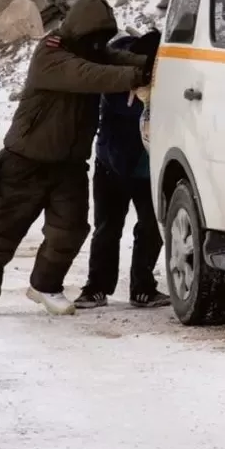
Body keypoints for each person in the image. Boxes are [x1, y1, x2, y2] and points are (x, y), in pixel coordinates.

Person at [0, 0, 151, 317]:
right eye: (95, 38)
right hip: (25, 162)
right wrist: (137, 77)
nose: (99, 45)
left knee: (71, 229)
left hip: (69, 166)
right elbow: (89, 75)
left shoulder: (88, 52)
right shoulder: (51, 54)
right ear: (79, 31)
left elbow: (114, 60)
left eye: (102, 40)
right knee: (1, 233)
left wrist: (154, 64)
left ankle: (45, 285)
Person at [74, 30, 168, 310]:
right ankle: (96, 287)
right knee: (107, 228)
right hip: (111, 164)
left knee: (150, 227)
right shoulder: (115, 73)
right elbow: (124, 108)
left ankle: (142, 287)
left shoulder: (164, 77)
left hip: (147, 167)